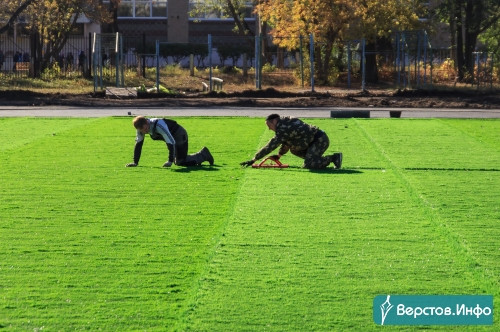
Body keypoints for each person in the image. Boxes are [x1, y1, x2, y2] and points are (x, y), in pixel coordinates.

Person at [240, 113, 342, 169]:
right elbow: (287, 142)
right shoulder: (284, 123)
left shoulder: (283, 127)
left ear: (274, 121)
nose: (269, 129)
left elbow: (271, 145)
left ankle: (334, 158)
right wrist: (279, 155)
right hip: (313, 141)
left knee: (309, 165)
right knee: (294, 150)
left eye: (269, 126)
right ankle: (315, 159)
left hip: (319, 140)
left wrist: (254, 159)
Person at [126, 116, 214, 168]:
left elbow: (171, 141)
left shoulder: (159, 125)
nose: (145, 132)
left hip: (180, 135)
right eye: (142, 131)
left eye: (145, 129)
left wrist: (170, 161)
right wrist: (135, 162)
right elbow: (138, 144)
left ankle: (204, 154)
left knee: (180, 162)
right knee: (179, 161)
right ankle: (202, 154)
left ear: (146, 122)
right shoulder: (141, 129)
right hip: (172, 138)